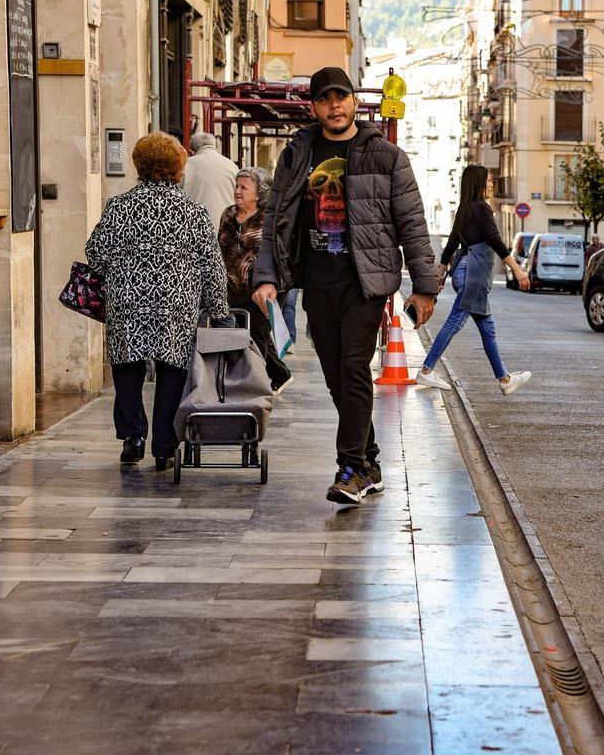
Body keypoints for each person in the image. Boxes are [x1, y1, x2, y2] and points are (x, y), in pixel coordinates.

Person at [253, 66, 437, 506]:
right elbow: (275, 219)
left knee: (354, 369)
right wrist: (266, 277)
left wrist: (424, 285)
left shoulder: (386, 156)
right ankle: (370, 461)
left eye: (342, 96)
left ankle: (350, 468)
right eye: (325, 98)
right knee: (338, 379)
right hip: (316, 282)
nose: (335, 105)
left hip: (366, 282)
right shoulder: (298, 154)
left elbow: (412, 223)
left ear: (354, 101)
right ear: (314, 107)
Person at [85, 132, 229, 470]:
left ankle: (132, 436)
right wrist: (220, 311)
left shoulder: (120, 206)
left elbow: (95, 252)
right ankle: (164, 445)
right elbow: (211, 265)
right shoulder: (193, 212)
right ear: (179, 168)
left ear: (139, 166)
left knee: (127, 368)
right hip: (175, 305)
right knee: (172, 371)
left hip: (128, 302)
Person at [415, 166, 533, 394]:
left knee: (487, 327)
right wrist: (518, 270)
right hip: (474, 275)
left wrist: (441, 273)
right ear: (479, 183)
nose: (492, 184)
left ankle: (504, 379)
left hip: (466, 271)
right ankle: (426, 370)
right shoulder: (482, 208)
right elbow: (496, 241)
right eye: (489, 181)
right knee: (454, 322)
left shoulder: (465, 209)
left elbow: (451, 243)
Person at [218, 166, 293, 394]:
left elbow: (280, 254)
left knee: (256, 334)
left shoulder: (270, 218)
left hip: (263, 288)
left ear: (259, 193)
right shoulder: (228, 214)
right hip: (233, 288)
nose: (238, 191)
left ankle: (255, 384)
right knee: (245, 333)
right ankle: (280, 374)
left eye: (244, 187)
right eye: (237, 186)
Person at [181, 131, 238, 224]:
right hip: (226, 226)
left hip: (194, 226)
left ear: (191, 151)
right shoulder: (231, 166)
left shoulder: (186, 165)